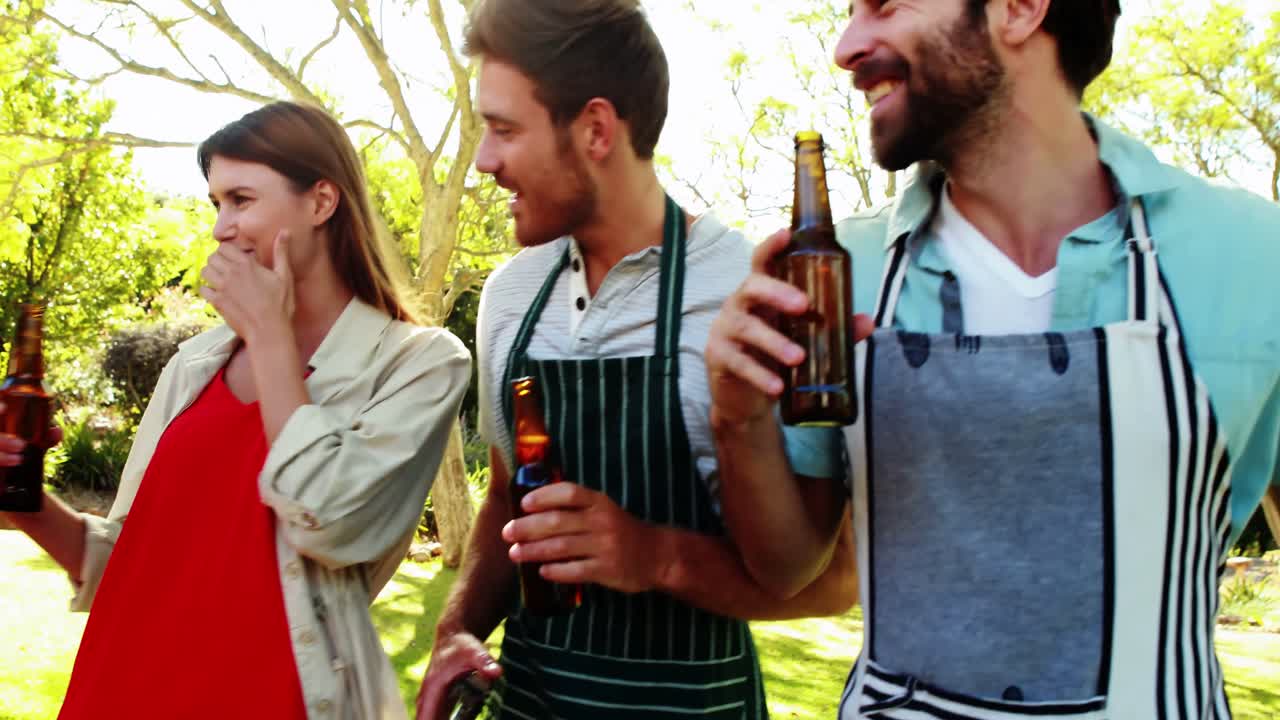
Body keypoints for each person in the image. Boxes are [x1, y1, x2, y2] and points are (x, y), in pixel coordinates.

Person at [706, 1, 1280, 718]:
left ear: (1019, 8)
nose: (847, 47)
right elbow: (787, 568)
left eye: (884, 5)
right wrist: (737, 416)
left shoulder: (1258, 258)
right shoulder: (841, 268)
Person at [413, 1, 856, 718]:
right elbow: (505, 499)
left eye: (502, 129)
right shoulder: (510, 295)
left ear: (594, 129)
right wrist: (455, 630)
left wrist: (655, 556)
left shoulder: (749, 293)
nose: (485, 160)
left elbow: (836, 577)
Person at [0, 101, 472, 719]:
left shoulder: (418, 362)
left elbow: (331, 526)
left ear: (321, 203)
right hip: (120, 689)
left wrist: (272, 340)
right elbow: (128, 558)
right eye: (215, 204)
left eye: (242, 199)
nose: (221, 227)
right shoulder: (196, 364)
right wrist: (29, 506)